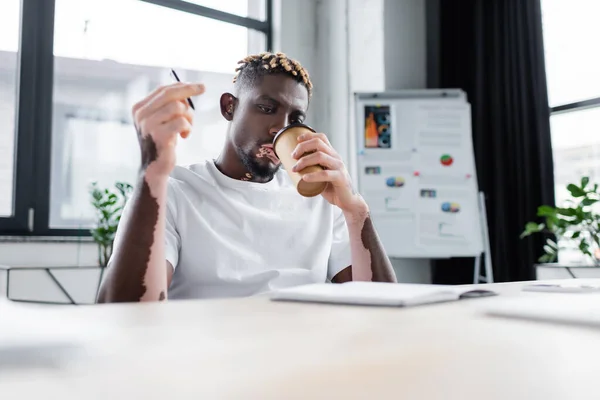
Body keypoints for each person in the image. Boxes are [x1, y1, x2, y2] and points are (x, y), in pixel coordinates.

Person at [98, 52, 396, 303]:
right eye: (267, 108)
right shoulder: (173, 191)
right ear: (230, 107)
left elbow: (383, 309)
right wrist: (151, 172)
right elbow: (126, 314)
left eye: (295, 120)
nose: (279, 128)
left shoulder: (323, 201)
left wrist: (355, 210)